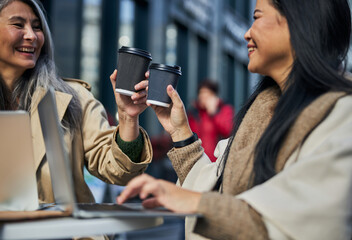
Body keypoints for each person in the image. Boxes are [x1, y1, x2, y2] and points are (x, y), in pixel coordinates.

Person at [117, 0, 352, 239]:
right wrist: (179, 131)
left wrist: (196, 202)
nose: (246, 33)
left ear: (299, 23)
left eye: (257, 17)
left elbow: (305, 223)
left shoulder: (342, 115)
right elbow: (217, 188)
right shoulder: (262, 110)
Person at [0, 0, 152, 206]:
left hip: (63, 234)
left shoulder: (74, 98)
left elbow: (119, 171)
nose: (31, 35)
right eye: (18, 24)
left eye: (37, 26)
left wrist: (129, 117)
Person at [188, 79, 234, 161]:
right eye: (201, 94)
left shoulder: (224, 110)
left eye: (207, 95)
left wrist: (214, 113)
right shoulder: (194, 112)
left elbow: (228, 131)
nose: (204, 98)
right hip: (196, 160)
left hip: (216, 161)